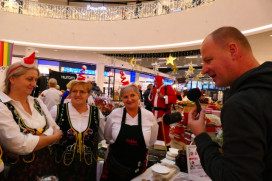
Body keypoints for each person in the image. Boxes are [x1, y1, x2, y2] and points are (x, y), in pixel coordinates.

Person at [188, 26, 272, 181]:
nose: (204, 70)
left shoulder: (241, 104)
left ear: (233, 50)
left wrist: (200, 136)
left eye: (208, 60)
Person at [0, 52, 62, 180]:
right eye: (29, 79)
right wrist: (51, 136)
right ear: (12, 79)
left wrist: (32, 139)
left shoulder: (37, 102)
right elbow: (18, 145)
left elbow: (57, 129)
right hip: (18, 172)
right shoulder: (3, 105)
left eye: (35, 80)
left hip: (47, 167)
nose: (34, 84)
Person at [101, 84, 158, 181]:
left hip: (138, 167)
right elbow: (107, 137)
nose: (129, 99)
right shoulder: (115, 114)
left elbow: (152, 141)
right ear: (122, 99)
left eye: (132, 95)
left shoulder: (148, 116)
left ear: (138, 96)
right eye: (125, 97)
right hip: (115, 166)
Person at [50, 80, 105, 181]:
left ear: (89, 94)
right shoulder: (57, 110)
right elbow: (48, 137)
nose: (78, 94)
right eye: (74, 91)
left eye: (82, 92)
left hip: (88, 168)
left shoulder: (96, 113)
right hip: (61, 166)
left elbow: (102, 136)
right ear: (70, 93)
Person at [148, 76, 177, 148]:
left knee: (164, 130)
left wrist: (164, 97)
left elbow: (174, 99)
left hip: (164, 113)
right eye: (154, 81)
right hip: (155, 113)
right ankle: (156, 145)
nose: (155, 83)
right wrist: (151, 93)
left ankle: (167, 146)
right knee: (155, 130)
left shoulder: (168, 88)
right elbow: (150, 100)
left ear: (160, 81)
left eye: (156, 81)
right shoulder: (154, 89)